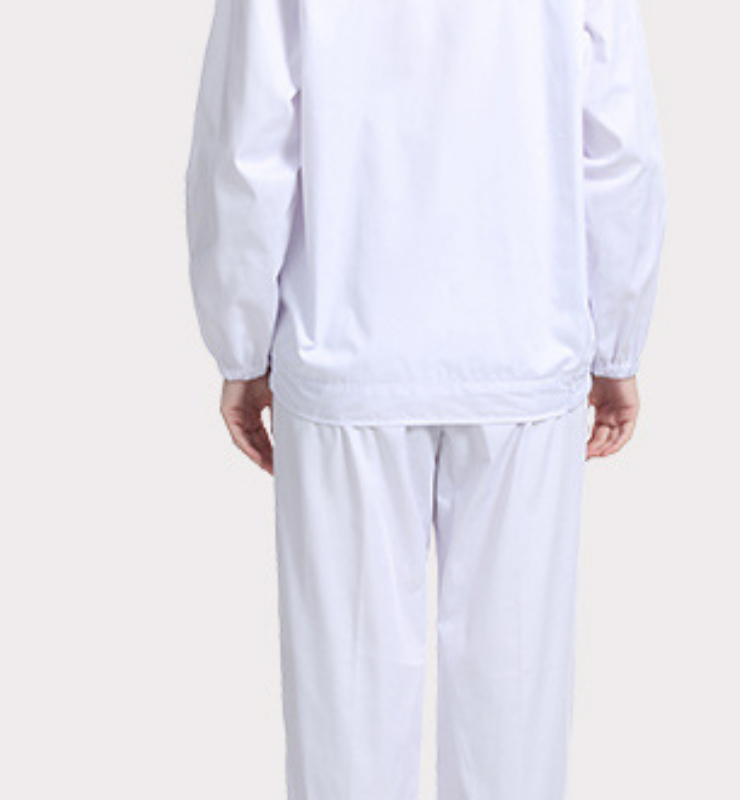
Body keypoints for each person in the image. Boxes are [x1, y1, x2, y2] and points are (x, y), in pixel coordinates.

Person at [186, 0, 666, 797]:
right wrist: (618, 337)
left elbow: (246, 142)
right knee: (515, 696)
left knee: (343, 700)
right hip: (522, 344)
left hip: (345, 346)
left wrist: (240, 341)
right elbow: (619, 145)